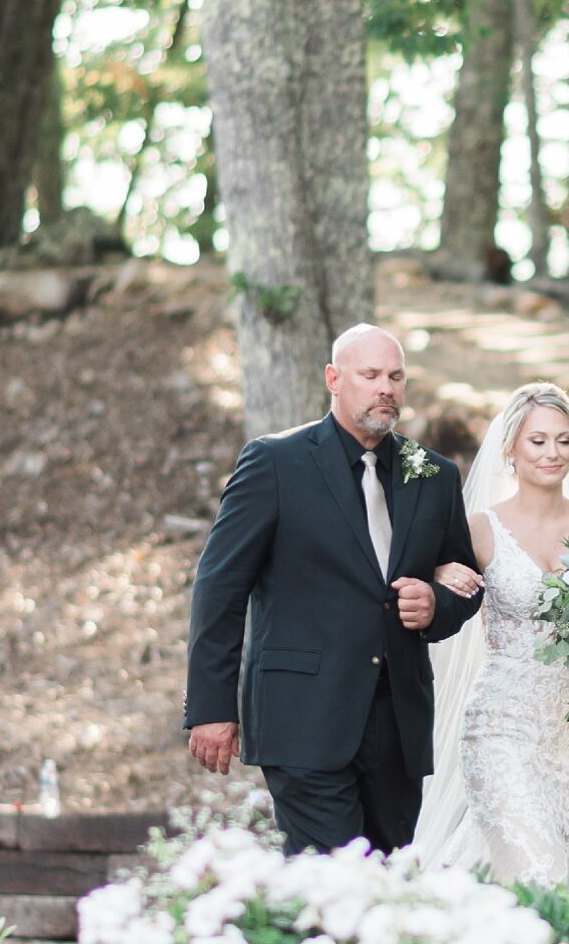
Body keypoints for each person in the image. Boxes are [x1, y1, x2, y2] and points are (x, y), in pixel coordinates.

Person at [183, 325, 482, 856]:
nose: (385, 388)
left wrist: (438, 605)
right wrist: (211, 706)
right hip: (302, 717)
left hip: (398, 724)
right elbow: (219, 586)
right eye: (370, 376)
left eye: (395, 376)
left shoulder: (433, 476)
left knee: (392, 886)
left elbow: (462, 577)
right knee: (332, 886)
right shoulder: (274, 463)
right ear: (334, 379)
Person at [414, 380, 569, 886]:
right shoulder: (479, 530)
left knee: (557, 869)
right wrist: (441, 576)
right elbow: (434, 597)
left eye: (563, 440)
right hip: (499, 727)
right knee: (537, 873)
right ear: (510, 448)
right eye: (538, 440)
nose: (552, 452)